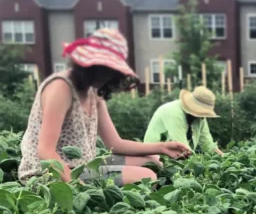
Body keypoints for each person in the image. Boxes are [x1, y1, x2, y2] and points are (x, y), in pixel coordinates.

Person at [18, 29, 190, 186]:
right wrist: (78, 187)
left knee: (153, 161)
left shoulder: (93, 93)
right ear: (87, 64)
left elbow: (115, 144)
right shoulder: (61, 88)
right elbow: (45, 151)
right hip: (49, 173)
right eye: (102, 67)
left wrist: (162, 147)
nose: (106, 75)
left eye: (112, 70)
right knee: (146, 175)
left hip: (82, 166)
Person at [144, 86, 223, 156]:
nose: (203, 117)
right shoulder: (174, 113)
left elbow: (207, 144)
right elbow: (182, 149)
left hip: (176, 159)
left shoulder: (199, 118)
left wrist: (224, 158)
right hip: (155, 157)